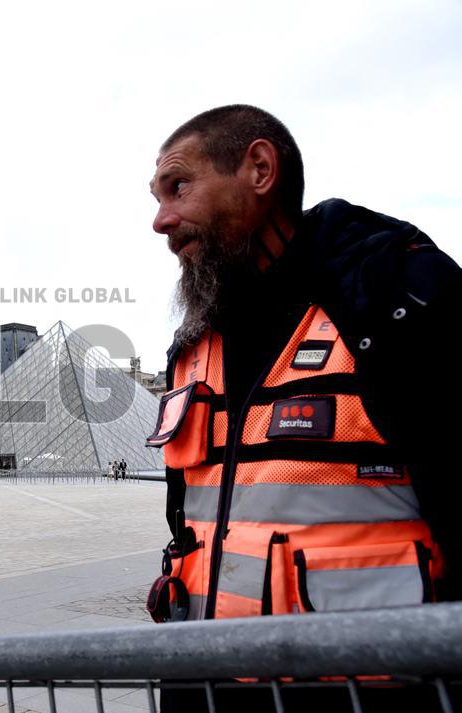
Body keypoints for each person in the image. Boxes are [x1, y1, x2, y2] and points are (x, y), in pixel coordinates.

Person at [145, 105, 461, 707]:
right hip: (208, 684)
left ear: (259, 169)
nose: (160, 220)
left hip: (369, 692)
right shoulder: (193, 347)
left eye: (178, 186)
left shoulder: (395, 299)